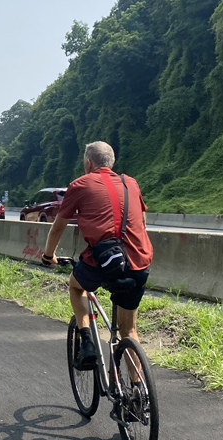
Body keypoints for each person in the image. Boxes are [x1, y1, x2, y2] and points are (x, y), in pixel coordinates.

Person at [41, 141, 153, 369]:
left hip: (102, 261)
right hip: (138, 262)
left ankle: (87, 342)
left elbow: (58, 227)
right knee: (129, 330)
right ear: (112, 162)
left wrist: (48, 256)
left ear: (88, 163)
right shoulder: (131, 183)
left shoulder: (79, 185)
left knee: (76, 286)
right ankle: (137, 388)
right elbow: (142, 222)